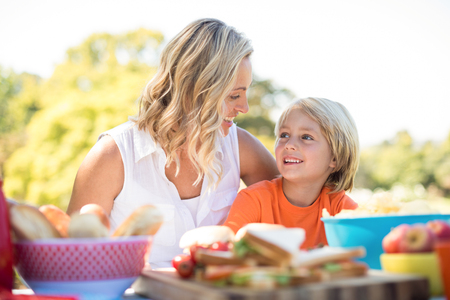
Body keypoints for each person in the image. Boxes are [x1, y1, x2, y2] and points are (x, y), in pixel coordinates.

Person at [67, 18, 279, 268]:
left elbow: (291, 207)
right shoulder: (113, 155)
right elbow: (71, 258)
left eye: (245, 93)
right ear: (193, 89)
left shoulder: (240, 146)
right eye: (234, 95)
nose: (244, 107)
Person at [223, 97, 360, 249]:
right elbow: (227, 250)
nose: (289, 145)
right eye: (284, 135)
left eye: (306, 137)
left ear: (335, 157)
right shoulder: (253, 200)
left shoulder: (341, 208)